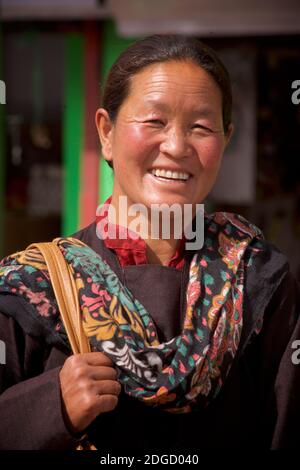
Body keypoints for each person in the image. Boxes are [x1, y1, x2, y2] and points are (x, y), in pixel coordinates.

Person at [0, 34, 299, 451]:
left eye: (201, 127)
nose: (176, 147)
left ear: (225, 139)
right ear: (107, 131)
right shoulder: (32, 287)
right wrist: (51, 405)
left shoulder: (260, 279)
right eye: (154, 122)